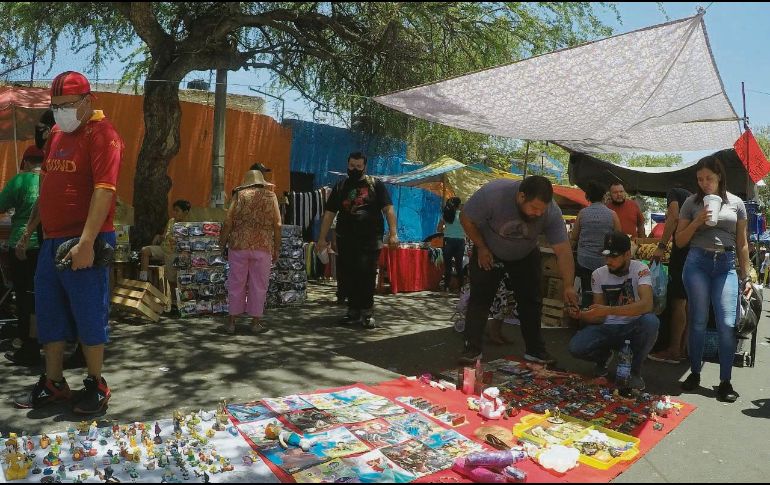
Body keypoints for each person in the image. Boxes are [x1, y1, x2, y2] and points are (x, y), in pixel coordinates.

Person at [13, 71, 123, 415]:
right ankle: (54, 382)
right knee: (49, 314)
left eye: (67, 105)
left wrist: (87, 242)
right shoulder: (58, 133)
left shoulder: (104, 135)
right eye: (55, 106)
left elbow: (105, 190)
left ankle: (95, 383)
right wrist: (31, 230)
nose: (60, 112)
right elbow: (47, 187)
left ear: (88, 101)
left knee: (89, 313)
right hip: (52, 240)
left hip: (86, 239)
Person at [459, 175, 578, 364]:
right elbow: (465, 217)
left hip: (525, 253)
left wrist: (569, 286)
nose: (538, 214)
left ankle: (535, 351)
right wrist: (481, 246)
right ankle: (472, 349)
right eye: (534, 208)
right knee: (480, 299)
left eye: (542, 210)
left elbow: (563, 251)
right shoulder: (494, 194)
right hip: (489, 249)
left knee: (531, 301)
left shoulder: (551, 212)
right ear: (521, 196)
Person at [676, 155, 748, 403]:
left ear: (719, 177)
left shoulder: (737, 203)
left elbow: (742, 243)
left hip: (726, 265)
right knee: (697, 320)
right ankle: (695, 373)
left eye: (709, 178)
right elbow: (679, 241)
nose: (704, 183)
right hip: (697, 262)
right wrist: (697, 220)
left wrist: (746, 273)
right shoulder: (690, 203)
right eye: (700, 179)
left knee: (726, 323)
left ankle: (725, 381)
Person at [567, 231, 660, 390]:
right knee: (575, 347)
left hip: (633, 325)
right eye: (606, 256)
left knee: (651, 322)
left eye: (614, 257)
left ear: (627, 254)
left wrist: (608, 310)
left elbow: (646, 305)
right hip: (607, 327)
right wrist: (581, 315)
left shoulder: (641, 269)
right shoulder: (598, 274)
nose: (608, 261)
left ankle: (634, 371)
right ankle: (603, 358)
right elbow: (599, 317)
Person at [316, 152, 398, 329]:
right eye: (352, 166)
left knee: (367, 275)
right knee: (348, 275)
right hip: (346, 240)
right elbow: (329, 213)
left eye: (358, 167)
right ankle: (352, 311)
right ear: (347, 165)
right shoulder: (341, 186)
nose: (355, 169)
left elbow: (388, 209)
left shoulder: (375, 185)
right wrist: (321, 238)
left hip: (370, 240)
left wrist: (393, 233)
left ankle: (367, 312)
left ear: (365, 167)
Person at [219, 169, 281, 334]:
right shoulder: (271, 196)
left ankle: (232, 323)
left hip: (239, 245)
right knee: (259, 285)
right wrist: (277, 248)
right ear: (261, 182)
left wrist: (221, 244)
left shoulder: (239, 195)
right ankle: (255, 323)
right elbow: (278, 224)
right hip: (263, 246)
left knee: (236, 283)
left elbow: (227, 222)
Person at [1, 146, 44, 366]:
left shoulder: (19, 181)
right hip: (46, 245)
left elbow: (1, 205)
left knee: (24, 297)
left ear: (26, 162)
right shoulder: (49, 180)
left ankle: (29, 345)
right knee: (39, 296)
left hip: (22, 245)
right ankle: (42, 341)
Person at [648, 186, 692, 364]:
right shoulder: (692, 196)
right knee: (688, 302)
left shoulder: (673, 192)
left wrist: (661, 246)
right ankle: (683, 349)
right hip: (695, 252)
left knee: (678, 301)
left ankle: (673, 349)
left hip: (682, 252)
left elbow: (673, 217)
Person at [570, 181, 621, 307]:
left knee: (588, 291)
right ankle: (603, 316)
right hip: (605, 261)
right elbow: (619, 236)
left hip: (584, 261)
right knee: (604, 292)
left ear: (587, 197)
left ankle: (587, 317)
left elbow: (574, 236)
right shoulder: (612, 214)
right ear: (604, 196)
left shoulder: (582, 214)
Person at [138, 199, 191, 282]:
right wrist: (158, 236)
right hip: (163, 249)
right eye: (174, 210)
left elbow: (187, 246)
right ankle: (143, 280)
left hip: (174, 253)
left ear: (185, 213)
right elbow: (164, 235)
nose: (174, 213)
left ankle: (172, 293)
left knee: (172, 280)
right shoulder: (171, 221)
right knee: (145, 251)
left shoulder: (188, 226)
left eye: (177, 211)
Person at [437, 197, 466, 291]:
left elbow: (439, 229)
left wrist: (446, 228)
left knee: (448, 266)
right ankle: (461, 287)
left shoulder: (445, 214)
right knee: (459, 265)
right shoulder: (463, 215)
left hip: (448, 241)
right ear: (459, 205)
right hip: (460, 241)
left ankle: (446, 287)